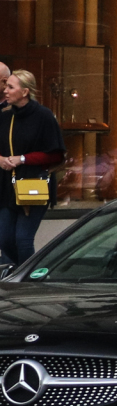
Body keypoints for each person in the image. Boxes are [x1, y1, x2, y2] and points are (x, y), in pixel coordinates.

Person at [0, 70, 63, 265]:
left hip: (33, 185)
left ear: (25, 92)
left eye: (11, 87)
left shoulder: (43, 116)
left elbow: (56, 154)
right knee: (5, 238)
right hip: (6, 186)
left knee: (23, 239)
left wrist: (23, 159)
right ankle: (17, 275)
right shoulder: (5, 116)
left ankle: (28, 280)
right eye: (6, 86)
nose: (6, 90)